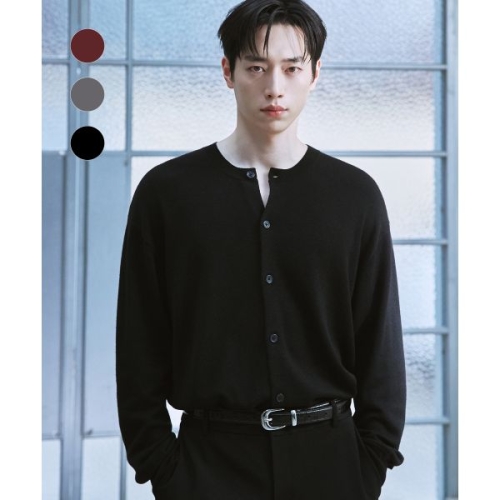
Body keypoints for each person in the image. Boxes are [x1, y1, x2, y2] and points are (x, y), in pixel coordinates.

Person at [116, 1, 406, 499]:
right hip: (206, 469)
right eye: (256, 67)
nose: (275, 87)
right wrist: (162, 467)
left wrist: (370, 462)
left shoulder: (355, 195)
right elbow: (139, 343)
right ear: (228, 72)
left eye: (292, 68)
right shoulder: (167, 193)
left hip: (332, 466)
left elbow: (380, 341)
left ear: (315, 73)